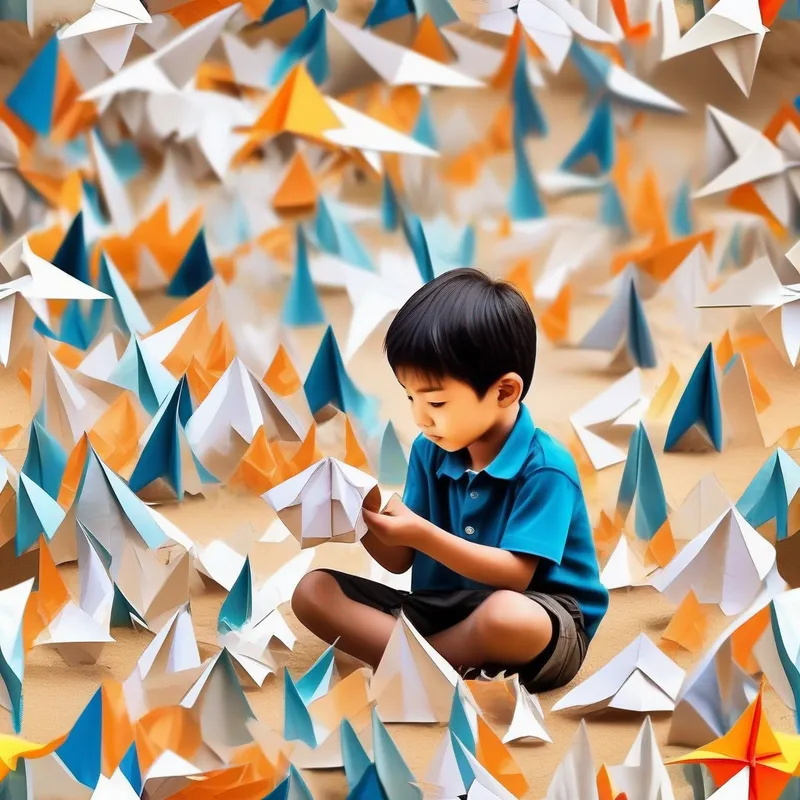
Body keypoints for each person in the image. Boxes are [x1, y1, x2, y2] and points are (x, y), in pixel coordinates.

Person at [292, 268, 608, 692]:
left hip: (540, 620)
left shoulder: (546, 466)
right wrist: (359, 516)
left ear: (504, 392)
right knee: (313, 591)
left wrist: (421, 534)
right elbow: (401, 559)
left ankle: (421, 662)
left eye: (436, 401)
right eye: (410, 397)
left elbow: (514, 576)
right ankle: (436, 661)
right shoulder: (429, 450)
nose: (420, 417)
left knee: (505, 617)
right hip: (441, 607)